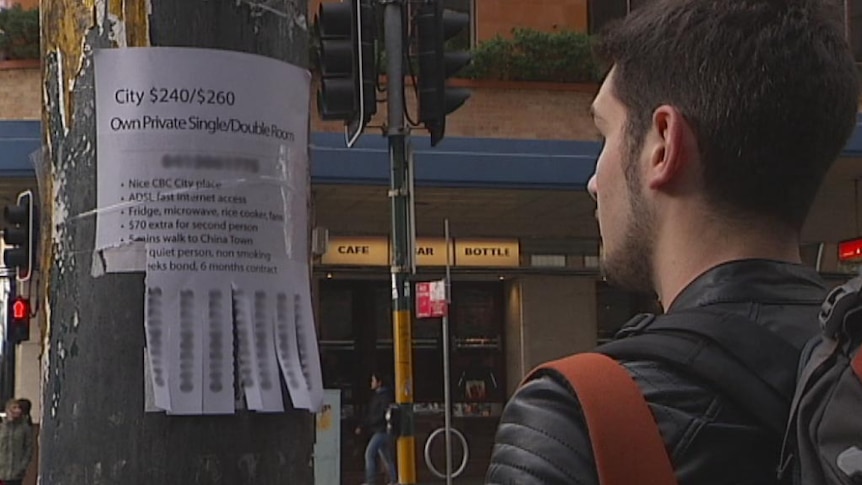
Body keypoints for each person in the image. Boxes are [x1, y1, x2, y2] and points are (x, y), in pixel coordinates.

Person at [486, 0, 860, 484]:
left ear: (663, 143)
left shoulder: (578, 421)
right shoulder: (848, 365)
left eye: (605, 133)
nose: (594, 182)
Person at [355, 372, 396, 485]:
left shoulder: (382, 397)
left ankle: (370, 481)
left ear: (379, 382)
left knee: (369, 453)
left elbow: (379, 414)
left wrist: (367, 424)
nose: (371, 383)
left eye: (373, 381)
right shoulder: (379, 396)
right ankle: (394, 479)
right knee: (386, 455)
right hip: (380, 429)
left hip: (381, 430)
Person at [0, 399, 33, 485]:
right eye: (14, 408)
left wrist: (22, 467)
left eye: (18, 407)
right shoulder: (2, 427)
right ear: (8, 410)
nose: (18, 410)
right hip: (2, 471)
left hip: (16, 472)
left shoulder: (24, 427)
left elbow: (28, 448)